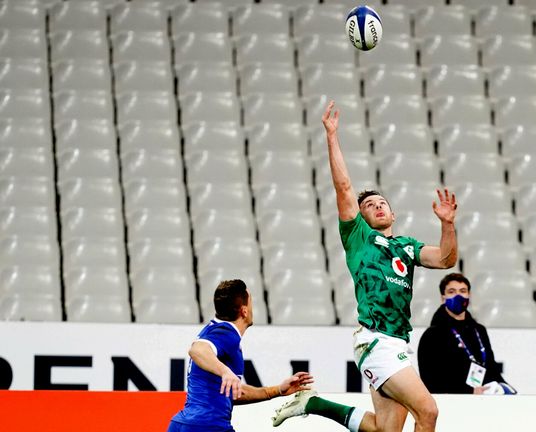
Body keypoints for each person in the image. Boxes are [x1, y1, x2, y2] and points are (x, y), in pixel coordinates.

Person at [271, 101, 459, 432]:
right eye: (369, 205)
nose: (377, 206)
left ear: (393, 213)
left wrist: (447, 224)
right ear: (362, 217)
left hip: (398, 341)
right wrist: (332, 137)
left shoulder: (407, 246)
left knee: (385, 430)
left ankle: (314, 403)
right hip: (376, 338)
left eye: (382, 202)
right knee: (428, 412)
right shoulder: (359, 238)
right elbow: (344, 188)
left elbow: (445, 259)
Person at [168, 279, 314, 432]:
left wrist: (277, 390)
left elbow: (232, 393)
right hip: (208, 426)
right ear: (244, 311)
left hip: (182, 425)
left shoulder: (215, 330)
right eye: (251, 302)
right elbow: (197, 350)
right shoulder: (227, 334)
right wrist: (225, 372)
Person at [417, 273, 516, 396]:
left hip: (484, 401)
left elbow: (491, 369)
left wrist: (505, 388)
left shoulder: (479, 331)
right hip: (452, 402)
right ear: (443, 298)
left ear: (469, 295)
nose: (458, 295)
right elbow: (430, 381)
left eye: (463, 291)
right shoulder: (432, 335)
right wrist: (469, 392)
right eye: (452, 291)